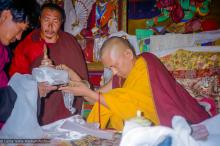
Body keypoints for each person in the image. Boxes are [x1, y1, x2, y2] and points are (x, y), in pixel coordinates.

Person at [59, 36, 210, 131]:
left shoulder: (146, 63)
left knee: (115, 96)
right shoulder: (120, 75)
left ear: (128, 54)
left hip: (167, 122)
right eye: (110, 68)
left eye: (114, 66)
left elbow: (136, 105)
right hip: (133, 130)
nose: (114, 72)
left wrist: (88, 92)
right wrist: (74, 78)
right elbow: (97, 98)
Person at [9, 3, 88, 125]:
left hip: (65, 110)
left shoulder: (70, 42)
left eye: (55, 21)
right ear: (40, 19)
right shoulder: (27, 44)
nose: (50, 26)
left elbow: (82, 78)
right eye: (46, 20)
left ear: (61, 22)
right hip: (36, 110)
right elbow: (17, 80)